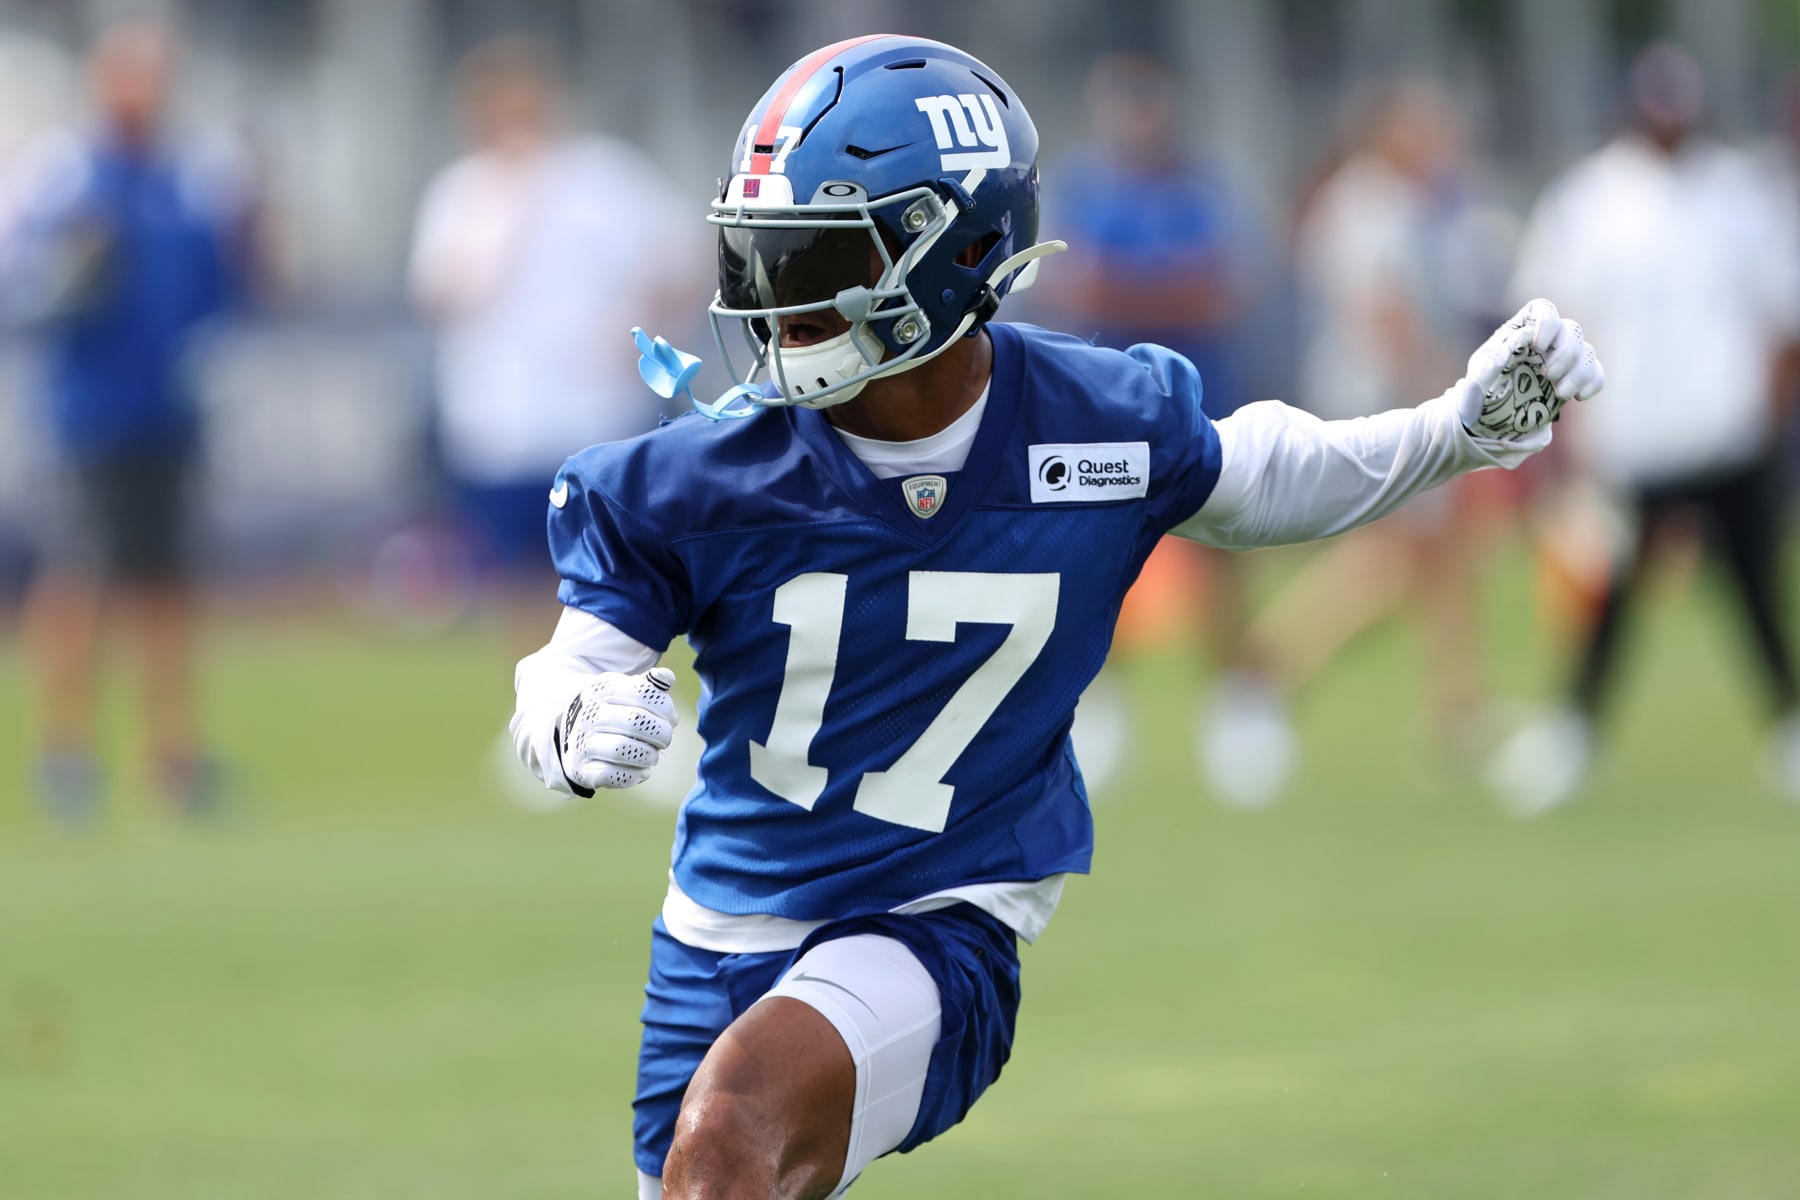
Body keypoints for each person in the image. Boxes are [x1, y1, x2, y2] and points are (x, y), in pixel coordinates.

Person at [508, 36, 1603, 1198]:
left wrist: (1454, 433)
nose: (779, 306)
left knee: (731, 1137)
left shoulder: (1096, 422)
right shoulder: (695, 480)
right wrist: (571, 717)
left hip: (936, 920)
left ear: (960, 251)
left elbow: (1266, 477)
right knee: (709, 1164)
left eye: (821, 259)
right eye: (764, 258)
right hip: (714, 935)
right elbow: (565, 668)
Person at [1490, 43, 1800, 815]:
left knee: (1756, 588)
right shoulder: (1590, 199)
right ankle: (1574, 730)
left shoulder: (1739, 194)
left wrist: (1768, 413)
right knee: (1612, 593)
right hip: (1634, 434)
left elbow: (1782, 317)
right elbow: (1546, 315)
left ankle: (1789, 725)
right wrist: (1569, 429)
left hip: (1728, 429)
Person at [1204, 79, 1507, 807]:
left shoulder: (1392, 200)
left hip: (1392, 394)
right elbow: (1384, 311)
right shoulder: (1370, 202)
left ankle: (1457, 708)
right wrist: (1439, 395)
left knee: (1439, 559)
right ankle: (1269, 663)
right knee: (1393, 560)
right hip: (1383, 400)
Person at [2, 18, 252, 825]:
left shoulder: (189, 182)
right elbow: (31, 293)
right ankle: (65, 753)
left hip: (170, 412)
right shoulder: (66, 179)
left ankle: (169, 756)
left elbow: (225, 290)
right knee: (80, 581)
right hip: (94, 416)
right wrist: (74, 267)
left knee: (168, 588)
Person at [1040, 53, 1263, 797]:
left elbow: (1216, 293)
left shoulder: (1198, 191)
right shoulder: (1089, 190)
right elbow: (1085, 284)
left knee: (1224, 554)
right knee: (1096, 551)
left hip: (1199, 401)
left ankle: (1238, 707)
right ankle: (1098, 706)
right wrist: (1165, 286)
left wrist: (1137, 291)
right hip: (1105, 408)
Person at [410, 36, 690, 600]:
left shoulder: (606, 179)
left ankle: (620, 684)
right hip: (499, 418)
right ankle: (536, 687)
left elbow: (679, 266)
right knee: (516, 576)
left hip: (597, 415)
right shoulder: (463, 193)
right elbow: (437, 293)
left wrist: (637, 330)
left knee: (613, 569)